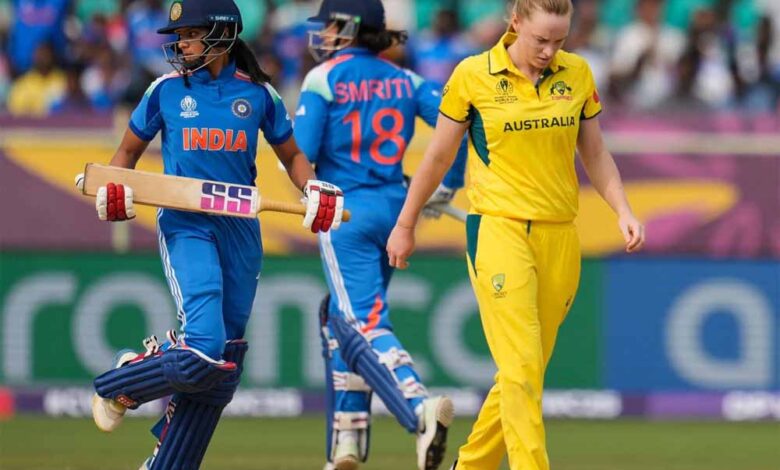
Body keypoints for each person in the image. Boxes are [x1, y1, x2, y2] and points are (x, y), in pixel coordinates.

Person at [78, 1, 344, 469]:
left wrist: (314, 187)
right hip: (186, 223)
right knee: (203, 346)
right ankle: (122, 381)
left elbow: (292, 157)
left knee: (225, 361)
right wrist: (114, 188)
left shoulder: (258, 94)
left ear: (221, 34)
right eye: (178, 36)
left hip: (241, 230)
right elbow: (126, 154)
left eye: (190, 34)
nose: (180, 44)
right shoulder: (164, 91)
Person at [386, 1, 646, 469]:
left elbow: (595, 153)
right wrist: (406, 225)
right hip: (498, 229)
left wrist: (623, 209)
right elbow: (438, 157)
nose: (549, 51)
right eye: (540, 39)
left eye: (559, 40)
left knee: (523, 372)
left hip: (560, 235)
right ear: (516, 22)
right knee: (522, 366)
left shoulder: (577, 73)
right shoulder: (472, 75)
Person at [294, 1, 467, 469]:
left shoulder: (323, 78)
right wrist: (447, 185)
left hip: (346, 212)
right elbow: (458, 123)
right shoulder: (405, 79)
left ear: (350, 28)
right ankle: (348, 437)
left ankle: (417, 406)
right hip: (395, 209)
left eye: (331, 25)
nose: (323, 34)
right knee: (340, 318)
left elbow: (301, 153)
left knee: (363, 324)